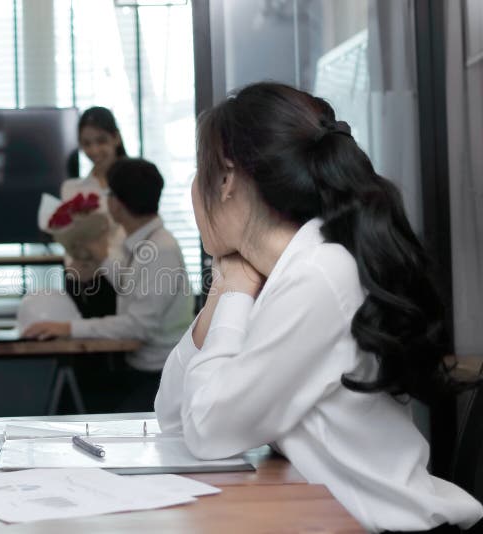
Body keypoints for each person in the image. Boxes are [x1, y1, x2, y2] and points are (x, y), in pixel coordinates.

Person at [154, 82, 482, 533]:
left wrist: (233, 295)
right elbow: (175, 416)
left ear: (227, 178)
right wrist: (222, 296)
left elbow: (208, 430)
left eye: (199, 170)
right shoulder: (284, 271)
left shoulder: (320, 275)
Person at [26, 158, 193, 411]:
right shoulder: (144, 242)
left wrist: (67, 327)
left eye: (109, 194)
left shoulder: (160, 249)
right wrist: (100, 254)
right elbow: (130, 286)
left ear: (117, 204)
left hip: (159, 375)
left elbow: (138, 326)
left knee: (85, 405)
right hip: (144, 368)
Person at [61, 106, 127, 319]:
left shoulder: (133, 182)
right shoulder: (73, 189)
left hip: (123, 278)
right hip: (81, 279)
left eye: (101, 141)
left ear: (116, 138)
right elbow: (68, 239)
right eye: (87, 144)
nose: (94, 150)